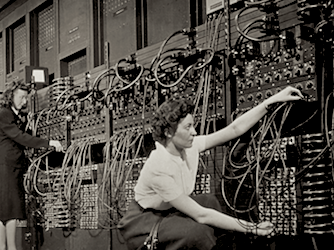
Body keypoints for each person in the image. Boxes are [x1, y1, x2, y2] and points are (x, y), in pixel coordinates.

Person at [118, 86, 304, 250]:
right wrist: (252, 227)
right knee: (198, 234)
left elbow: (233, 130)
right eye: (188, 127)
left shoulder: (189, 146)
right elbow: (201, 215)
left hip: (168, 209)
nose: (194, 132)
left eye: (194, 126)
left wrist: (272, 101)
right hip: (144, 220)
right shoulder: (158, 166)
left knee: (210, 201)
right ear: (168, 132)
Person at [0, 80, 64, 250]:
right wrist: (49, 142)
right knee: (9, 210)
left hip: (11, 165)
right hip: (6, 165)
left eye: (26, 98)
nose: (25, 101)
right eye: (21, 97)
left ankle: (3, 248)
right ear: (11, 97)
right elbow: (20, 138)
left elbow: (22, 135)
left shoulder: (15, 115)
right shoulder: (4, 114)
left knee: (6, 211)